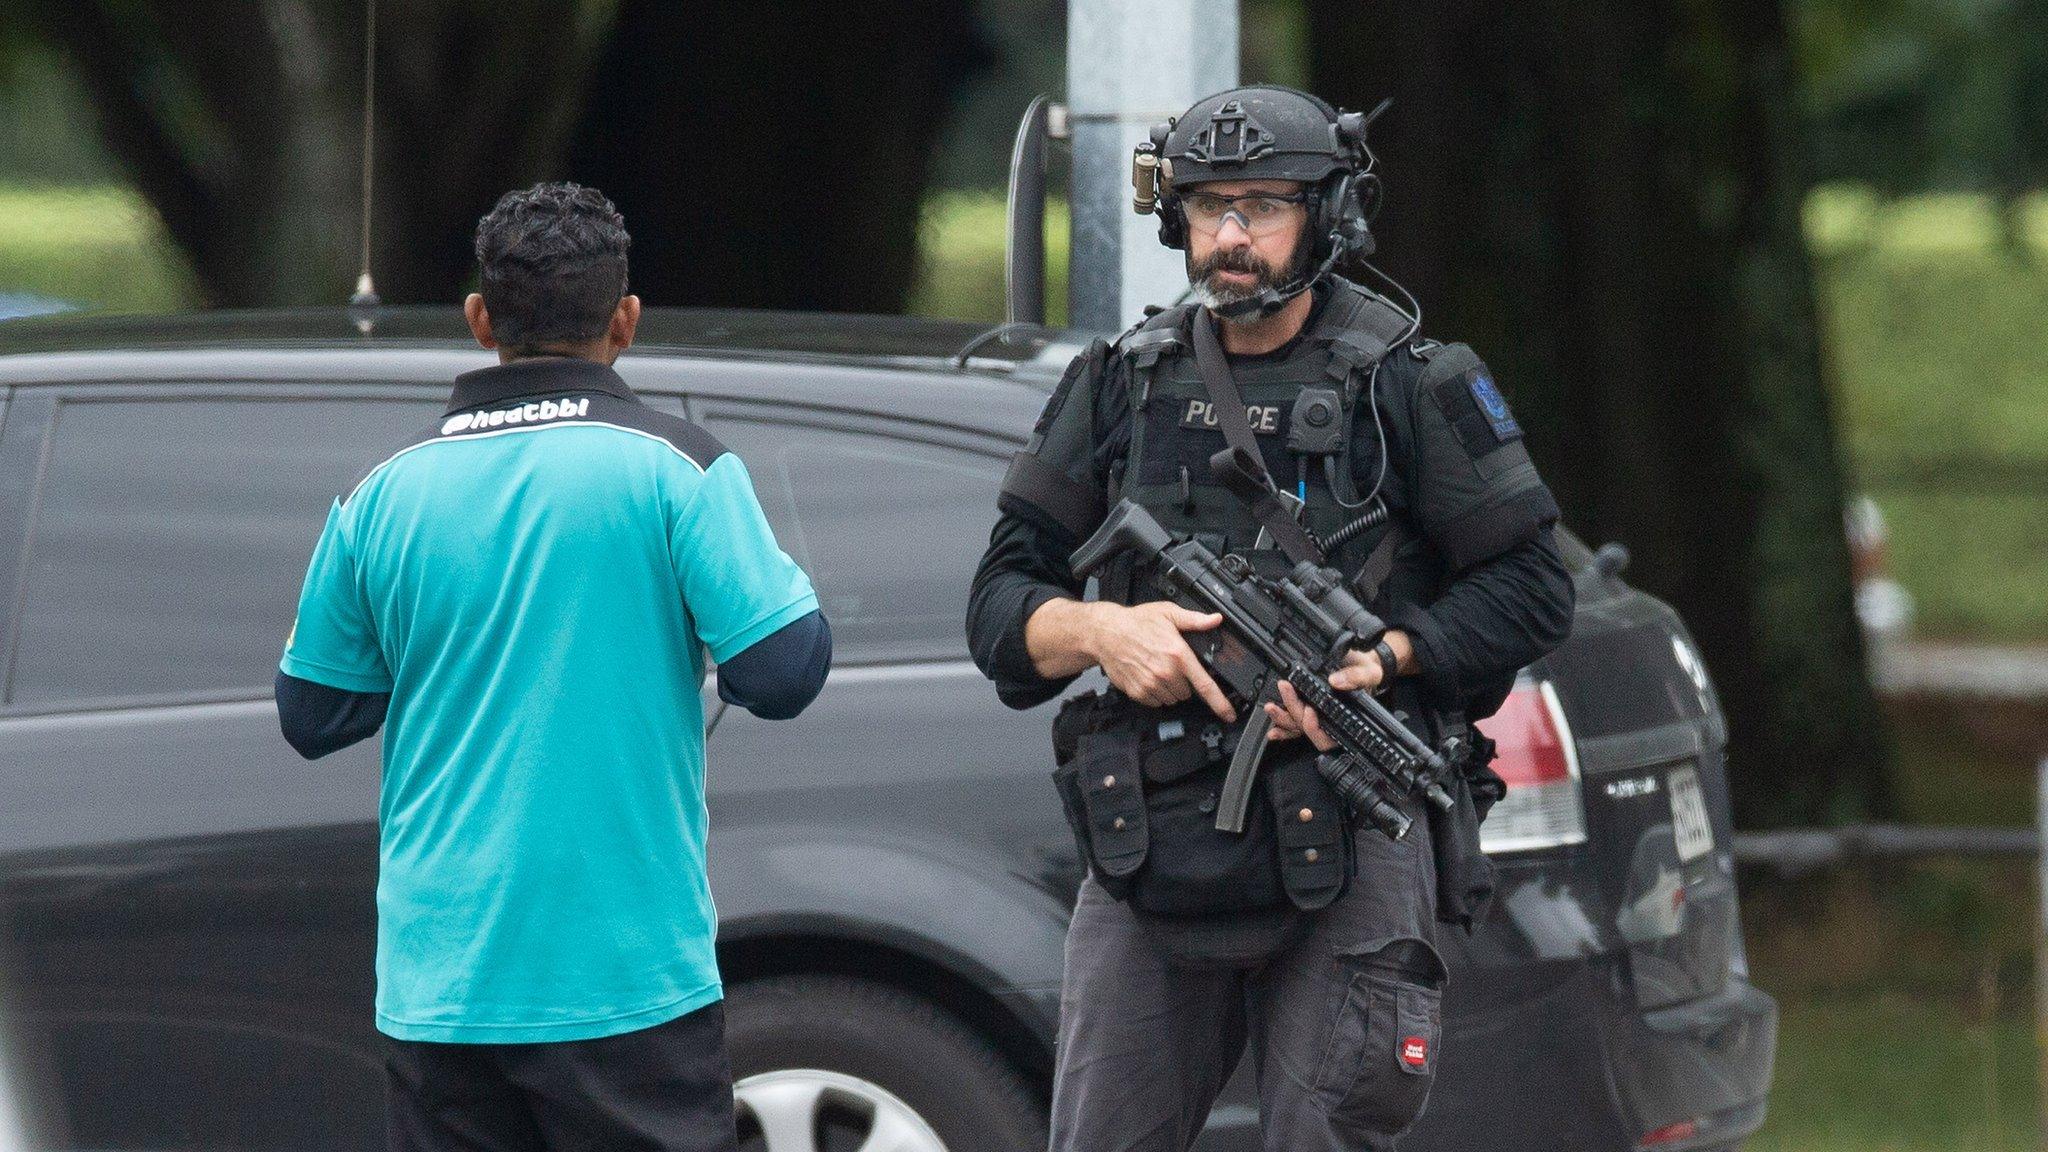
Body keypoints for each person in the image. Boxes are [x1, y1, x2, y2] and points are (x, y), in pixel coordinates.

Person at [965, 86, 1575, 1150]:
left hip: (1351, 815)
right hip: (1149, 830)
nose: (1232, 236)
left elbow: (1532, 589)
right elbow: (999, 602)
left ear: (1329, 216)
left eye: (1262, 206)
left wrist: (1383, 660)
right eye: (1209, 209)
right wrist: (1105, 634)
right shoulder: (1118, 382)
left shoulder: (1413, 383)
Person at [274, 182, 828, 1152]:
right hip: (624, 980)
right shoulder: (677, 469)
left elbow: (314, 713)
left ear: (479, 320)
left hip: (441, 986)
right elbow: (782, 672)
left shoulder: (381, 493)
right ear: (625, 321)